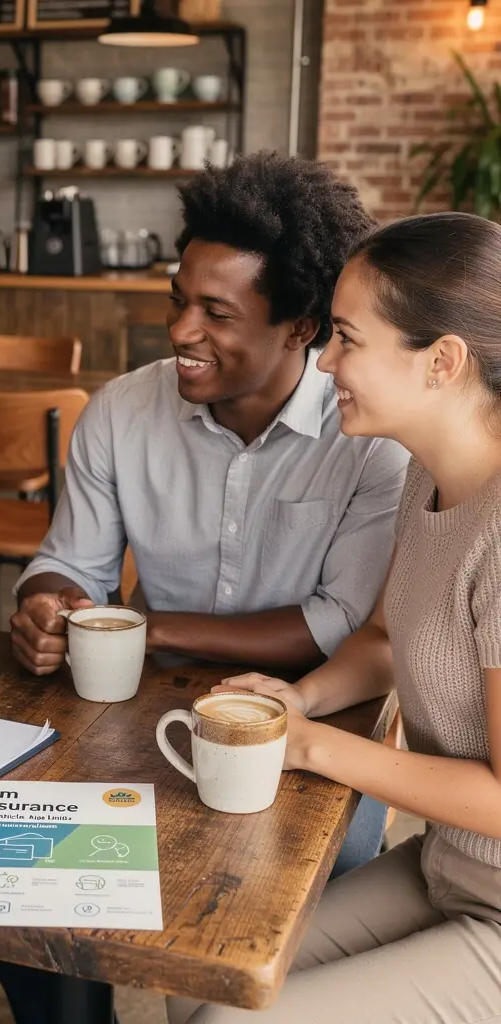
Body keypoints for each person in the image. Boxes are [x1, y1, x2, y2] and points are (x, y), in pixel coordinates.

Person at [8, 152, 410, 883]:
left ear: (301, 328)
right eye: (178, 300)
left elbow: (345, 623)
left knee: (298, 892)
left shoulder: (370, 441)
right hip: (140, 708)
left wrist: (142, 630)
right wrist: (46, 602)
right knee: (30, 865)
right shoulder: (121, 411)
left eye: (217, 314)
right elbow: (72, 563)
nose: (182, 332)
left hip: (316, 719)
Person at [169, 211, 501, 1023]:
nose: (324, 360)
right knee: (199, 975)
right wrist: (302, 701)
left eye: (348, 338)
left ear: (443, 362)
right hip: (450, 867)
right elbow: (385, 640)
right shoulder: (427, 482)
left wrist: (312, 747)